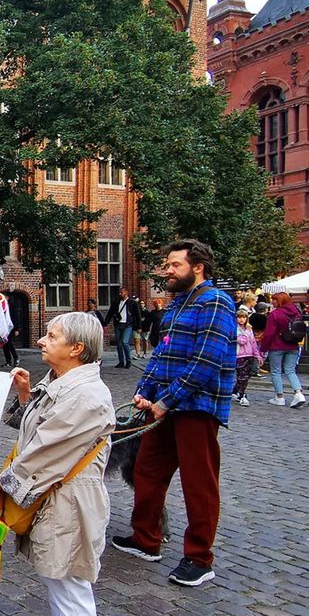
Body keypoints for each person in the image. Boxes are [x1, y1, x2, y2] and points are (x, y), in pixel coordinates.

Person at [0, 312, 113, 616]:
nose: (41, 340)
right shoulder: (61, 382)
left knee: (72, 590)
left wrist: (2, 481)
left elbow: (46, 451)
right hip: (56, 499)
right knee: (58, 583)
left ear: (76, 348)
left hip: (71, 503)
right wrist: (24, 396)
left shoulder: (86, 395)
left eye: (51, 335)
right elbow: (34, 430)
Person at [113, 239, 236, 587]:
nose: (167, 270)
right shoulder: (178, 305)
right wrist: (143, 391)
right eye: (167, 265)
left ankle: (199, 558)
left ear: (198, 267)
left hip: (196, 408)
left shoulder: (216, 303)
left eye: (174, 265)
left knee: (199, 484)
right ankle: (146, 540)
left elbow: (206, 362)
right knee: (147, 472)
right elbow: (161, 356)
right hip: (163, 408)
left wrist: (166, 401)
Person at [258, 291, 305, 407]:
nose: (272, 302)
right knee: (290, 370)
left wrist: (263, 348)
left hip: (277, 345)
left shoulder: (275, 314)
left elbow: (269, 333)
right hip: (293, 344)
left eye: (274, 300)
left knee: (276, 371)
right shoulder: (297, 312)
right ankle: (298, 393)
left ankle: (279, 397)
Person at [103, 289, 141, 369]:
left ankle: (128, 361)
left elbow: (138, 315)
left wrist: (139, 327)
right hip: (118, 324)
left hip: (128, 325)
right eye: (119, 292)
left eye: (122, 292)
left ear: (126, 293)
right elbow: (110, 312)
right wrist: (105, 323)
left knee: (124, 342)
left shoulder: (132, 303)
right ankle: (121, 361)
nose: (120, 294)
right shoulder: (116, 302)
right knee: (119, 344)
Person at [232, 307, 262, 407]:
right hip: (238, 355)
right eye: (239, 317)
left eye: (244, 317)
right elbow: (238, 340)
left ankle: (238, 392)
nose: (241, 319)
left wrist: (257, 356)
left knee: (245, 376)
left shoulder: (249, 330)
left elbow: (253, 343)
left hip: (248, 355)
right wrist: (242, 335)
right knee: (241, 375)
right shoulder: (233, 328)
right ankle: (241, 394)